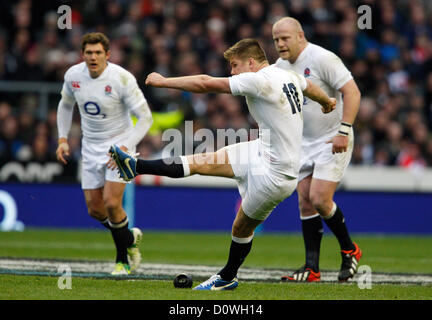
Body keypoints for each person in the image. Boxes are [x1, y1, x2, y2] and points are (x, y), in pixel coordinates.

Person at [109, 38, 336, 290]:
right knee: (200, 161)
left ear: (251, 62)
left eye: (234, 65)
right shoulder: (287, 75)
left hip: (277, 174)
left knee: (241, 226)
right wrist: (326, 101)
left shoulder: (259, 79)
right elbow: (308, 86)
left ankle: (228, 276)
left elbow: (206, 83)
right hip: (260, 149)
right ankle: (135, 167)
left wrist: (164, 81)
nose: (232, 72)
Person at [272, 17, 362, 282]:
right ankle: (312, 268)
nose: (279, 44)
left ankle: (350, 250)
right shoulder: (278, 68)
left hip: (332, 138)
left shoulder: (323, 58)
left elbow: (352, 92)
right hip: (303, 142)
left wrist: (344, 130)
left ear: (300, 35)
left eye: (284, 38)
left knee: (321, 198)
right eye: (276, 39)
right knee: (305, 200)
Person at [55, 32, 153, 275]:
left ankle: (122, 261)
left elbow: (145, 118)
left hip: (120, 146)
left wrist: (123, 148)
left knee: (111, 203)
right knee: (95, 210)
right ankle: (129, 238)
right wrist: (63, 138)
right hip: (90, 148)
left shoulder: (122, 78)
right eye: (88, 52)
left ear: (107, 55)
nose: (93, 57)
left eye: (98, 52)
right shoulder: (73, 76)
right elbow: (66, 105)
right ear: (82, 54)